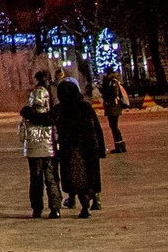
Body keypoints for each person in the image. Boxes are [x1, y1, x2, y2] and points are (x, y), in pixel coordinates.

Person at [54, 79, 104, 217]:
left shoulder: (61, 109)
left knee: (75, 176)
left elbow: (46, 119)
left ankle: (82, 203)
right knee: (91, 174)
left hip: (72, 148)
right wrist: (101, 148)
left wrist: (29, 112)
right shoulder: (86, 107)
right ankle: (95, 199)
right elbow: (97, 129)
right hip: (90, 147)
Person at [19, 75, 62, 219]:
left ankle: (37, 209)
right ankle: (55, 208)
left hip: (33, 153)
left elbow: (21, 137)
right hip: (49, 151)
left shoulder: (26, 118)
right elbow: (56, 136)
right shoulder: (51, 117)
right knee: (51, 179)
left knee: (35, 180)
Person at [98, 70, 129, 153]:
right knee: (114, 126)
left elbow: (114, 93)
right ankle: (120, 145)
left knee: (114, 126)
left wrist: (107, 101)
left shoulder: (113, 81)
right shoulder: (113, 81)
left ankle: (119, 146)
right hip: (114, 106)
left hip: (113, 106)